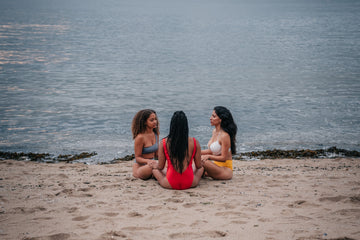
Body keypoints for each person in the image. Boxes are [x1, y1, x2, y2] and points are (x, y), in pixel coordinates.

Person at [151, 111, 204, 190]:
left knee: (154, 170)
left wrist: (155, 166)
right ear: (186, 126)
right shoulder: (194, 142)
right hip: (190, 183)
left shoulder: (164, 142)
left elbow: (161, 167)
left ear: (172, 126)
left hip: (170, 182)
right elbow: (198, 166)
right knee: (201, 168)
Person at [201, 106, 237, 180]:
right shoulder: (214, 131)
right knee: (194, 156)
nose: (210, 118)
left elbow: (223, 158)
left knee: (202, 161)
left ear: (220, 119)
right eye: (211, 116)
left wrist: (208, 156)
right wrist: (196, 151)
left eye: (214, 116)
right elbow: (212, 151)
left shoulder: (225, 136)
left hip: (225, 170)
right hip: (215, 166)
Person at [131, 109, 159, 180]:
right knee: (155, 166)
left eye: (155, 119)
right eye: (151, 120)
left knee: (169, 164)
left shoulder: (156, 134)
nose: (155, 122)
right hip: (141, 168)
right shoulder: (140, 137)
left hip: (152, 164)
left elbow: (157, 154)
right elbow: (137, 158)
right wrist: (148, 161)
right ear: (144, 122)